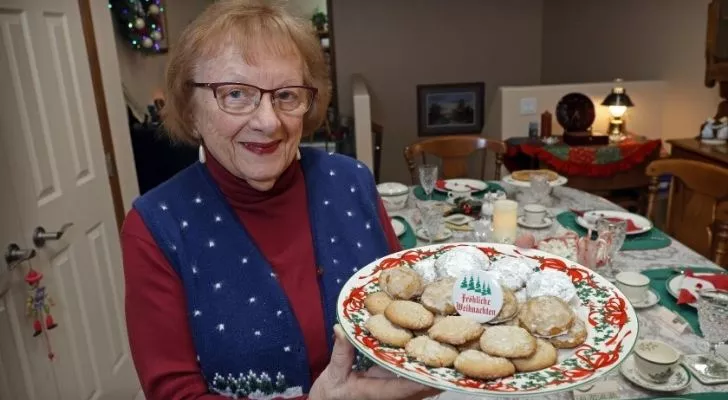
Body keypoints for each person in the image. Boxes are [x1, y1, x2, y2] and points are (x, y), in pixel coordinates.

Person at [121, 1, 439, 399]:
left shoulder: (351, 181)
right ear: (190, 107)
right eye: (235, 93)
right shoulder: (156, 228)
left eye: (286, 95)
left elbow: (400, 305)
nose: (269, 122)